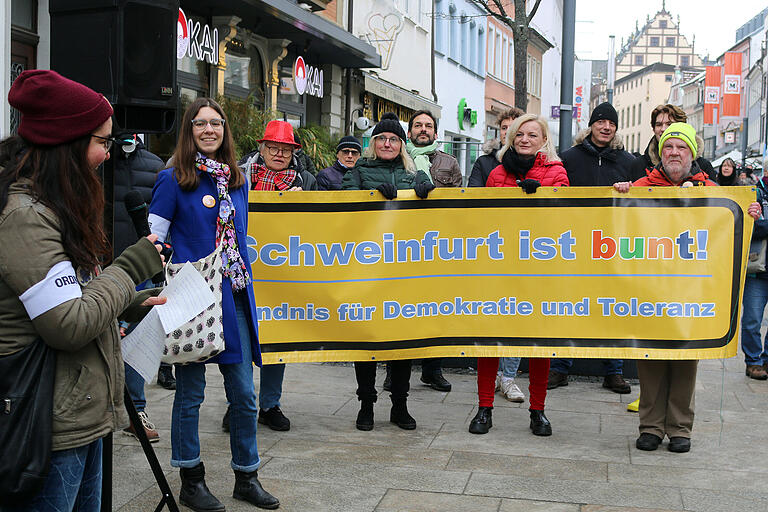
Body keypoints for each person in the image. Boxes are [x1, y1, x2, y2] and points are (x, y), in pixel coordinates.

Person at [0, 69, 165, 511]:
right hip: (47, 426)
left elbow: (73, 294)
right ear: (67, 144)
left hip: (78, 415)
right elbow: (68, 325)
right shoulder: (27, 218)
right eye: (102, 142)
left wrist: (126, 303)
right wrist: (130, 268)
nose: (109, 154)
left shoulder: (54, 205)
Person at [149, 97, 279, 510]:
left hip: (234, 297)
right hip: (192, 299)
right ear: (189, 131)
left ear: (224, 130)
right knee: (191, 394)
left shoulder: (236, 180)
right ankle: (191, 480)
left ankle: (247, 476)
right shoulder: (173, 178)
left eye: (216, 123)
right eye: (200, 124)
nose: (209, 130)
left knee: (244, 395)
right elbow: (153, 241)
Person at [613, 122, 761, 453]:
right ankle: (650, 425)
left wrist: (750, 213)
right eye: (669, 147)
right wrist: (619, 192)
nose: (674, 153)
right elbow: (617, 221)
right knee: (650, 359)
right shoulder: (641, 186)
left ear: (691, 154)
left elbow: (734, 220)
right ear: (660, 153)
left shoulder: (711, 189)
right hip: (650, 289)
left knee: (685, 359)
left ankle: (680, 427)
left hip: (691, 291)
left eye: (681, 148)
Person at [468, 113, 568, 436]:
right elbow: (483, 219)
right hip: (499, 268)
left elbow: (565, 219)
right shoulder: (497, 173)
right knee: (490, 340)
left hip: (540, 272)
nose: (525, 139)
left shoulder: (556, 173)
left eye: (532, 135)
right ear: (510, 137)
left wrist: (542, 200)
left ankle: (538, 410)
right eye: (519, 134)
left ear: (544, 140)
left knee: (538, 343)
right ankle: (485, 407)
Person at [342, 112, 434, 431]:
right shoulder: (359, 170)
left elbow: (428, 205)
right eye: (382, 138)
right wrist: (369, 196)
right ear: (373, 142)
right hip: (366, 268)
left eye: (394, 139)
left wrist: (426, 186)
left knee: (401, 341)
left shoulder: (411, 172)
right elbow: (342, 205)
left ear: (402, 145)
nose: (387, 143)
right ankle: (366, 404)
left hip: (401, 270)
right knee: (365, 340)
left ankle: (400, 405)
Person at [553, 101, 634, 394]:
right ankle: (561, 367)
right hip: (574, 246)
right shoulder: (568, 158)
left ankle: (614, 371)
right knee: (570, 308)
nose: (606, 127)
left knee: (612, 311)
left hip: (613, 248)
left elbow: (642, 200)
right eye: (601, 122)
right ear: (591, 125)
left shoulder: (628, 161)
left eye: (611, 123)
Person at [112, 132, 172, 444]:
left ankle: (136, 410)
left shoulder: (154, 166)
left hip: (141, 266)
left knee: (137, 337)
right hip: (100, 262)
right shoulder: (101, 163)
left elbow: (160, 220)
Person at [469, 106, 525, 402]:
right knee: (491, 315)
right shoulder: (485, 163)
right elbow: (476, 199)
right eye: (506, 127)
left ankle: (509, 377)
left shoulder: (538, 164)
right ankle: (488, 381)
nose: (511, 132)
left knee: (518, 317)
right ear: (500, 131)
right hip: (492, 249)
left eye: (517, 126)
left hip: (526, 251)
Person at [405, 109, 462, 392]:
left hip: (438, 246)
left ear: (436, 133)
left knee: (435, 311)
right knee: (400, 309)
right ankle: (396, 370)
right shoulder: (400, 158)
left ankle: (432, 370)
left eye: (428, 125)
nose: (423, 129)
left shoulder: (449, 163)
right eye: (418, 125)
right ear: (410, 132)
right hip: (403, 245)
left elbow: (458, 204)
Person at [629, 103, 716, 182]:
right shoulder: (639, 165)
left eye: (669, 124)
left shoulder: (703, 166)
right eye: (659, 125)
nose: (663, 129)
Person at [740, 170, 768, 380]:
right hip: (757, 270)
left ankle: (766, 359)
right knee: (752, 320)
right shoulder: (755, 193)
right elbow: (749, 225)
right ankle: (753, 361)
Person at [468, 107, 524, 187]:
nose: (507, 132)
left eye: (512, 128)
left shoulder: (530, 160)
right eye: (504, 128)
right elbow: (473, 193)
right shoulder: (483, 162)